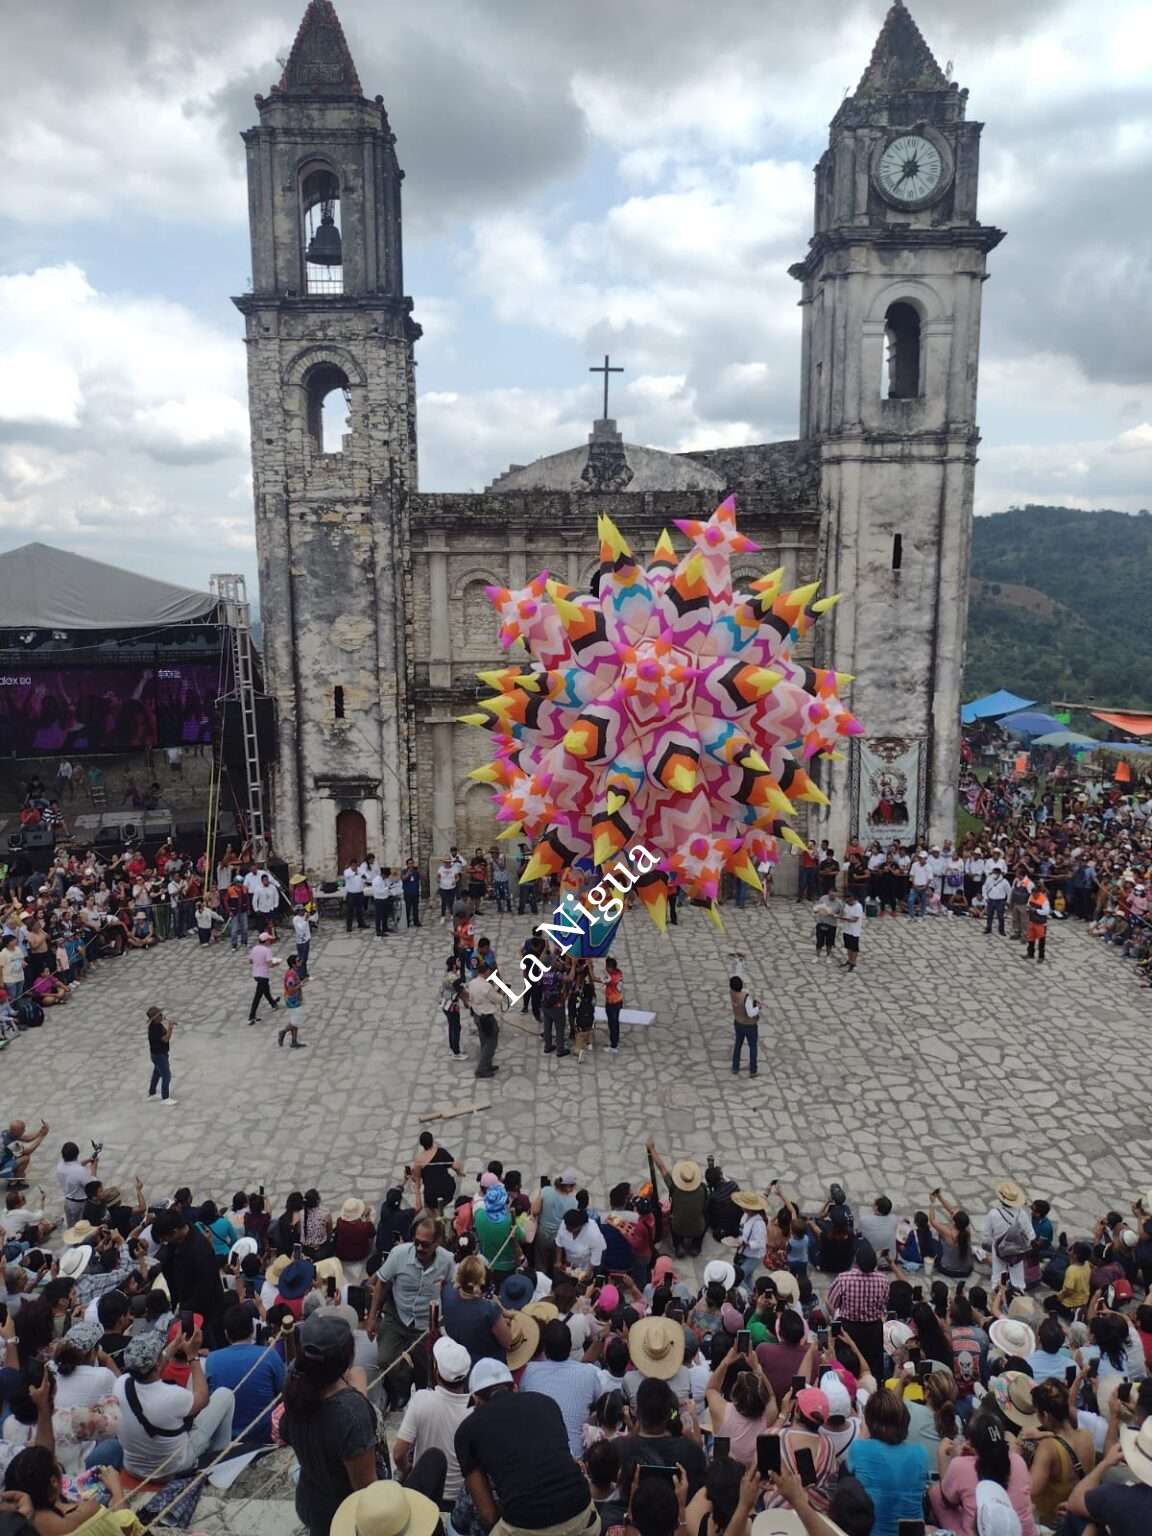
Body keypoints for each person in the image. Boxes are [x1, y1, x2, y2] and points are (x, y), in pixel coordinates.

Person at [453, 1358, 598, 1536]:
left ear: (476, 1400)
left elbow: (488, 1515)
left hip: (525, 1526)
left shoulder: (466, 1430)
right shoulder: (547, 1403)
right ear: (514, 1387)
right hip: (583, 1515)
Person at [280, 1311, 378, 1536]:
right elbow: (366, 1489)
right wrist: (360, 1395)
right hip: (342, 1515)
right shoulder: (350, 1412)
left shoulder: (293, 1378)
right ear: (347, 1358)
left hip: (310, 1497)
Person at [113, 1328, 235, 1481]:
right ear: (157, 1364)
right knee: (225, 1394)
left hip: (134, 1468)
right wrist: (193, 1356)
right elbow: (202, 1399)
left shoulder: (120, 1384)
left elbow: (152, 1368)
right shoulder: (172, 1396)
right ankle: (218, 1466)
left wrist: (174, 1345)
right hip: (173, 1468)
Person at [366, 1215, 452, 1409]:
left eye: (426, 1245)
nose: (420, 1248)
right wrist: (372, 1317)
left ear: (437, 1242)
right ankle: (401, 1389)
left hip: (426, 1323)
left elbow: (451, 1285)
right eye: (417, 1243)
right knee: (386, 1360)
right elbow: (381, 1283)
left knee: (427, 1368)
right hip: (397, 1316)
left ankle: (420, 1395)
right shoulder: (398, 1254)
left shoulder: (447, 1261)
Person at [394, 1335, 473, 1505]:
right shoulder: (475, 1411)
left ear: (437, 1372)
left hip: (425, 1492)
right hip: (458, 1498)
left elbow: (399, 1454)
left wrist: (409, 1471)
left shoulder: (421, 1399)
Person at [931, 1411, 1036, 1536]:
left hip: (982, 1531)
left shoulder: (961, 1466)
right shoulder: (1018, 1461)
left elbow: (947, 1499)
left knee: (936, 1492)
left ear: (971, 1443)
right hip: (1024, 1532)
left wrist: (944, 1456)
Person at [845, 1387, 929, 1536]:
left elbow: (844, 1488)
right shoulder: (920, 1453)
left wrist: (863, 1434)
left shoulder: (859, 1449)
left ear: (869, 1421)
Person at [204, 1304, 286, 1447]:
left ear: (226, 1334)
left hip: (227, 1441)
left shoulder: (212, 1360)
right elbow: (284, 1393)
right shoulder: (269, 1355)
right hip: (265, 1438)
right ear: (253, 1329)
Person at [2, 1446, 128, 1535]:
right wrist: (116, 1488)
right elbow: (128, 1529)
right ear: (54, 1482)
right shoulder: (88, 1511)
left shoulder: (20, 1528)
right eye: (58, 1465)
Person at [520, 1319, 601, 1457]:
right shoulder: (589, 1373)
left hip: (539, 1456)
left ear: (544, 1348)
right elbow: (599, 1403)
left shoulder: (529, 1371)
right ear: (570, 1346)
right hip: (575, 1457)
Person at [441, 1255, 514, 1364]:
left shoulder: (447, 1292)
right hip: (487, 1365)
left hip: (458, 1359)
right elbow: (507, 1342)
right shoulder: (489, 1309)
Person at [646, 1144, 707, 1257]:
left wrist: (652, 1149)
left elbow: (661, 1167)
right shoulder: (702, 1189)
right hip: (697, 1227)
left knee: (672, 1221)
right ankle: (696, 1247)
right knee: (704, 1221)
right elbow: (704, 1207)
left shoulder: (673, 1187)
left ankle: (679, 1245)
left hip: (678, 1226)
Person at [983, 1181, 1034, 1289]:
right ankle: (1017, 1296)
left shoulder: (993, 1214)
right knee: (1018, 1279)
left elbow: (987, 1235)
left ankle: (997, 1295)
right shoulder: (1022, 1214)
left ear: (1001, 1199)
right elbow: (1031, 1236)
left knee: (997, 1276)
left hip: (999, 1248)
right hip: (1017, 1250)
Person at [466, 962, 501, 1079]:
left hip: (477, 1015)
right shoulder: (486, 986)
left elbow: (469, 998)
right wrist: (500, 993)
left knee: (484, 1041)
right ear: (486, 972)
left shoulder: (472, 983)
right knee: (491, 1043)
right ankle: (481, 1069)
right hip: (487, 1017)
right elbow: (497, 1000)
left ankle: (487, 1065)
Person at [728, 976, 759, 1078]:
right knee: (753, 1046)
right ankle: (753, 1070)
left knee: (738, 1044)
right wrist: (758, 1007)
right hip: (749, 1025)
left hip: (738, 1022)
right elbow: (750, 1013)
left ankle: (735, 1067)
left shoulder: (732, 993)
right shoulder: (746, 997)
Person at [247, 932, 280, 1025]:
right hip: (263, 975)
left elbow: (250, 961)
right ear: (266, 941)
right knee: (258, 996)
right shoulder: (267, 950)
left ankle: (273, 1003)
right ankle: (251, 1016)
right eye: (269, 940)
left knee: (266, 990)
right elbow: (270, 964)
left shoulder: (254, 949)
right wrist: (277, 963)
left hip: (256, 974)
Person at [145, 1006, 176, 1106]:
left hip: (158, 1054)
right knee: (166, 1075)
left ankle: (152, 1093)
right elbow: (166, 1039)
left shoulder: (157, 1025)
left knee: (157, 1073)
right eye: (159, 1015)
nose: (162, 1016)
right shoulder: (154, 1030)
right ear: (155, 1018)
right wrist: (170, 1028)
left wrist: (168, 1026)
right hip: (159, 1056)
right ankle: (165, 1097)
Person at [278, 953, 307, 1049]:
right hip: (292, 1000)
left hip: (295, 998)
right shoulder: (291, 975)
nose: (300, 962)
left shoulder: (293, 972)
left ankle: (294, 1041)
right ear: (294, 964)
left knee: (295, 1020)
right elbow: (290, 989)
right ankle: (283, 1032)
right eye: (298, 961)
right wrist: (300, 985)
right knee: (295, 1021)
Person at [1024, 882, 1051, 962]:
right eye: (1032, 894)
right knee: (1031, 939)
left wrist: (1036, 911)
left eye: (1035, 894)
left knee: (1041, 941)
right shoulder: (1031, 896)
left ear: (1038, 893)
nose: (1033, 896)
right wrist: (1028, 909)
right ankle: (1030, 954)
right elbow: (1028, 904)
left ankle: (1041, 957)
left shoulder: (1044, 900)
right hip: (1032, 921)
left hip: (1041, 923)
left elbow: (1046, 911)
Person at [838, 893, 864, 972]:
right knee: (848, 946)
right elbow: (843, 914)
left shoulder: (858, 906)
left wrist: (844, 918)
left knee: (854, 948)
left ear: (852, 898)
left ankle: (853, 963)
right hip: (846, 929)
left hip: (854, 931)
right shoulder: (846, 905)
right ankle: (849, 960)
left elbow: (855, 920)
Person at [604, 956, 624, 1055]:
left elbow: (597, 979)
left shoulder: (610, 978)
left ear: (610, 968)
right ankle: (615, 1041)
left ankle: (613, 1046)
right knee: (616, 1022)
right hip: (619, 1001)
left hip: (611, 1003)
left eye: (607, 967)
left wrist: (590, 968)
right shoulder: (619, 973)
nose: (606, 968)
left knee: (612, 1024)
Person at [983, 867, 1012, 936]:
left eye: (995, 873)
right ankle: (988, 928)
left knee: (1000, 916)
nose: (993, 874)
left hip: (1000, 901)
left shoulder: (1004, 882)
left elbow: (1009, 892)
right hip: (991, 899)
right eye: (993, 873)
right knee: (989, 915)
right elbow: (984, 887)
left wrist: (1008, 901)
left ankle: (1001, 930)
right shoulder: (989, 879)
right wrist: (985, 897)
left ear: (999, 874)